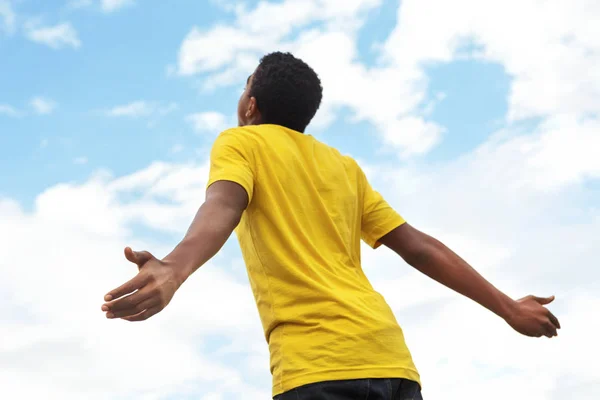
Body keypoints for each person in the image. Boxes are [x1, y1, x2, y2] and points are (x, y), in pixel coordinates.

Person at [101, 52, 561, 400]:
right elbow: (419, 247)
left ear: (250, 106)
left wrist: (175, 268)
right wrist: (508, 308)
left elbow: (223, 205)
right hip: (390, 362)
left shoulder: (241, 142)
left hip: (316, 365)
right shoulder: (343, 167)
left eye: (243, 88)